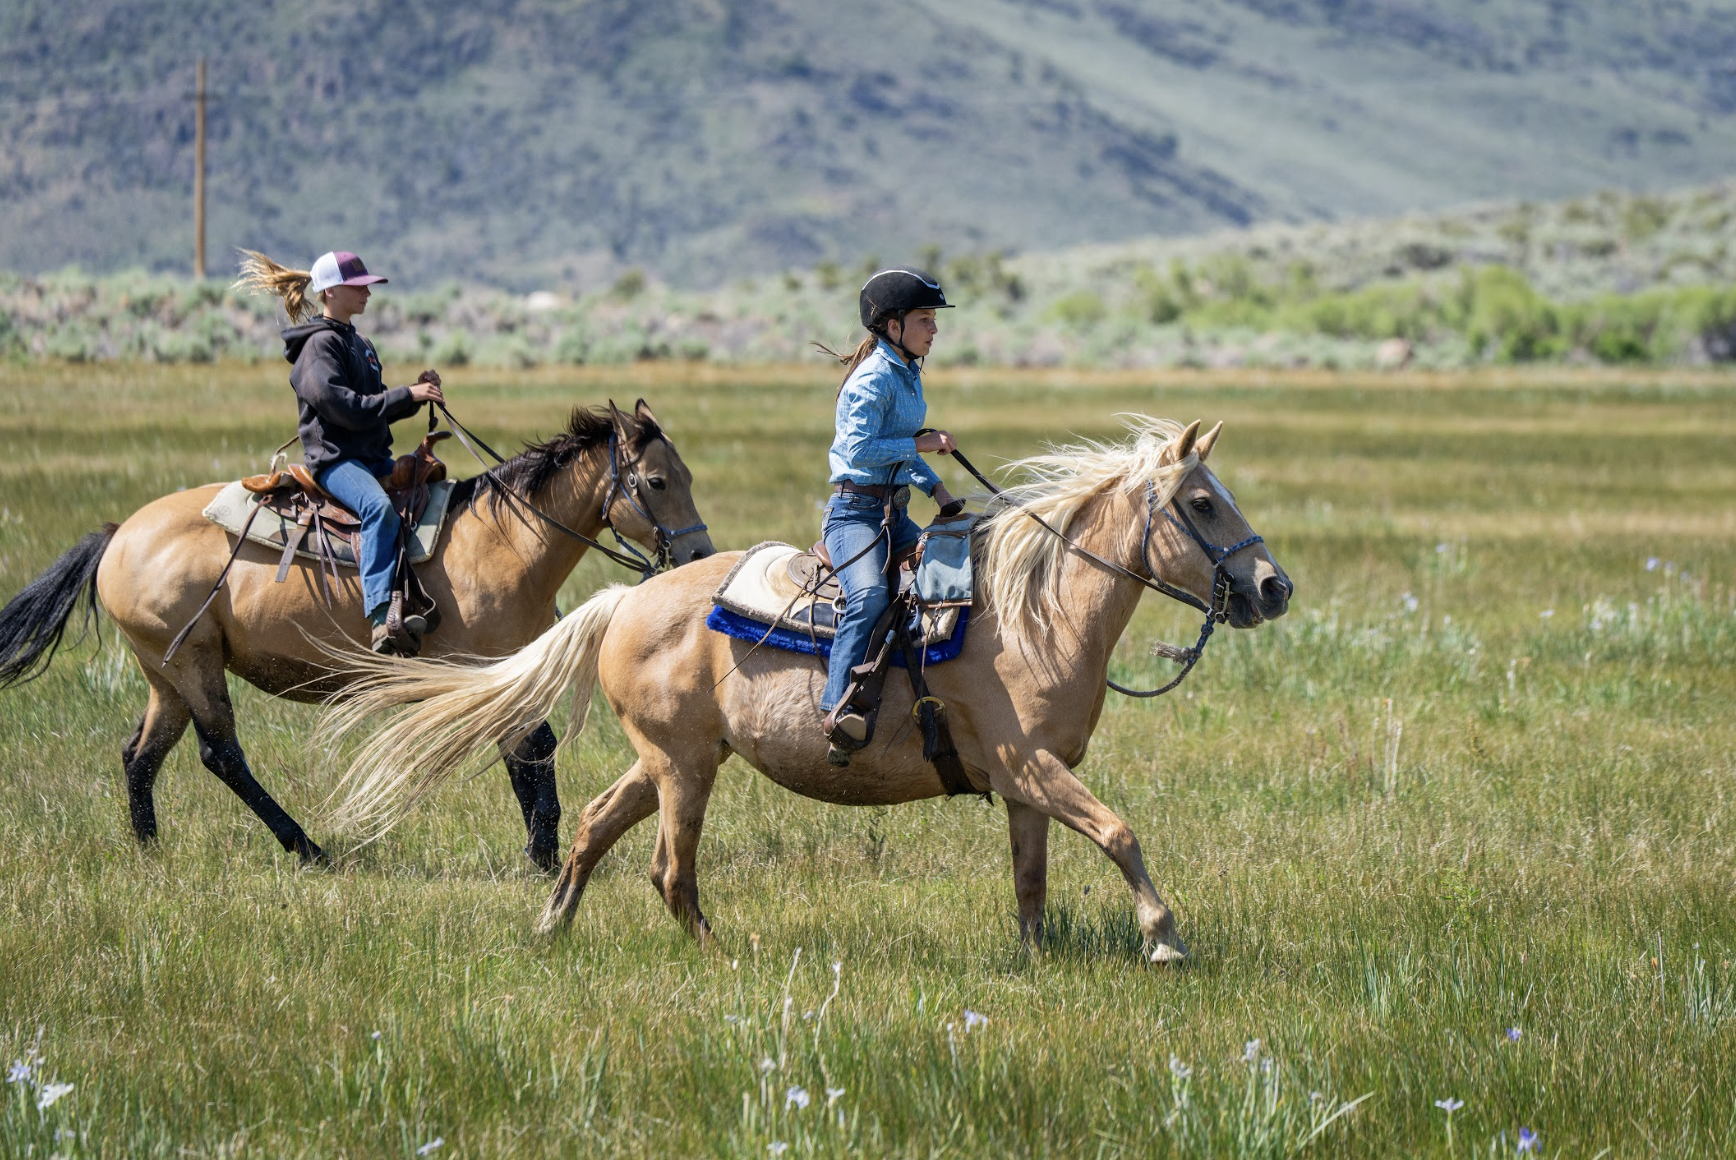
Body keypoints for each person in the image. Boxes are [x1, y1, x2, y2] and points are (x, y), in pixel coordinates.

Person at [236, 250, 445, 654]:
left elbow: (372, 407)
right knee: (379, 509)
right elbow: (343, 408)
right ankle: (380, 616)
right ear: (331, 292)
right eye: (358, 286)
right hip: (336, 461)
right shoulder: (319, 346)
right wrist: (405, 395)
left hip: (371, 458)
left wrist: (415, 396)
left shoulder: (360, 343)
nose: (367, 292)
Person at [819, 267, 964, 756]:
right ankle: (835, 711)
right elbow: (858, 450)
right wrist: (921, 442)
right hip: (854, 514)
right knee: (868, 598)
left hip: (892, 512)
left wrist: (938, 489)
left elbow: (902, 455)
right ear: (894, 326)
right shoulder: (873, 379)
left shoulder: (907, 374)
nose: (935, 330)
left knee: (950, 576)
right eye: (926, 319)